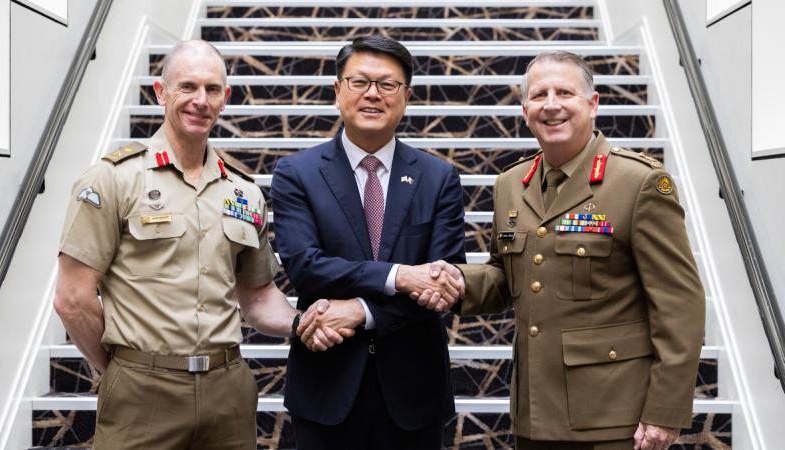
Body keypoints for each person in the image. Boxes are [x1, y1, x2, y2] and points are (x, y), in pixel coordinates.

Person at [415, 51, 705, 450]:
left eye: (564, 92)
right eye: (539, 95)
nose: (551, 105)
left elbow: (679, 304)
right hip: (536, 412)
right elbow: (506, 277)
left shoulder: (638, 183)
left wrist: (665, 410)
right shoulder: (511, 184)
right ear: (524, 110)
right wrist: (458, 280)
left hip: (615, 417)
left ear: (593, 103)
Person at [52, 40, 322, 449]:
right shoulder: (113, 179)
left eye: (212, 89)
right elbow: (72, 298)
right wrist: (123, 370)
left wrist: (304, 322)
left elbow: (257, 297)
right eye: (188, 87)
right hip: (141, 392)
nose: (200, 100)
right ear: (162, 93)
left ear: (226, 99)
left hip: (227, 391)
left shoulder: (244, 191)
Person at [270, 35, 467, 450]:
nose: (373, 94)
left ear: (406, 96)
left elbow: (442, 283)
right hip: (326, 385)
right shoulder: (296, 174)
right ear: (338, 90)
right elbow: (306, 266)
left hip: (415, 392)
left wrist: (360, 311)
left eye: (388, 84)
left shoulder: (439, 178)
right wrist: (399, 275)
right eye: (359, 82)